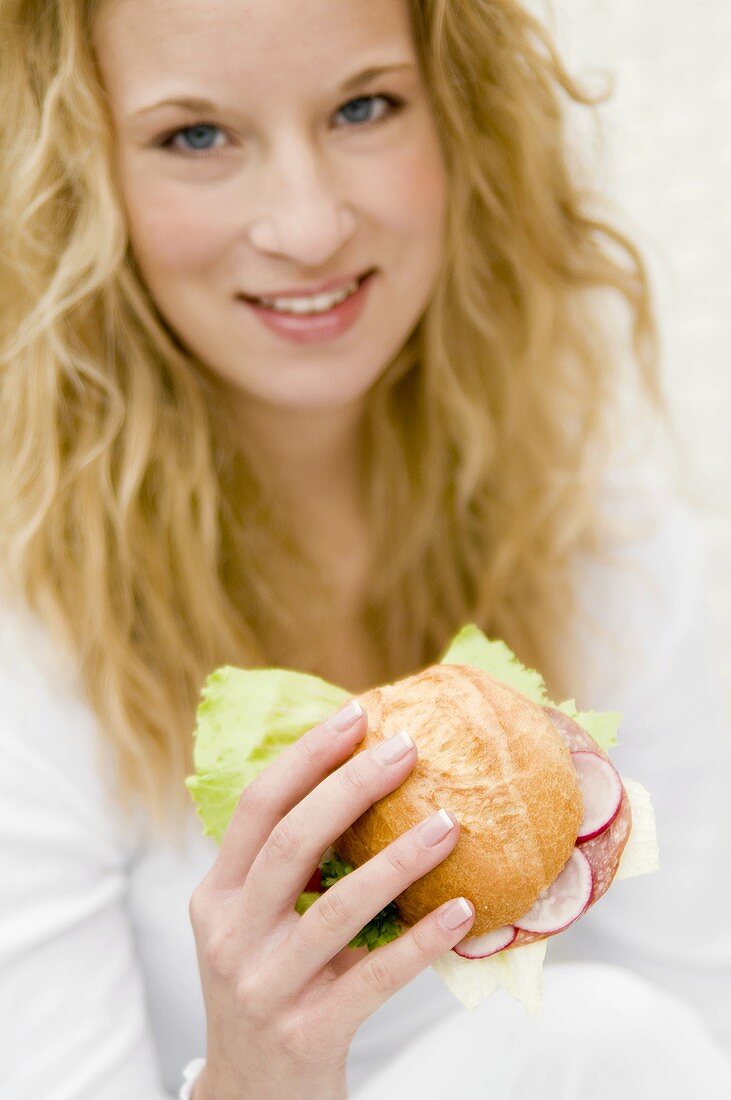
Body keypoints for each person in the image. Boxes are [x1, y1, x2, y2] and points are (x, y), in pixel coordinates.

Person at [0, 0, 730, 1097]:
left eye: (363, 106)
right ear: (76, 180)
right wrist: (255, 1076)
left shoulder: (616, 556)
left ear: (462, 128)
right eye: (194, 136)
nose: (305, 224)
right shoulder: (26, 648)